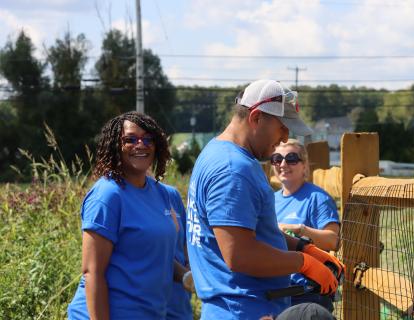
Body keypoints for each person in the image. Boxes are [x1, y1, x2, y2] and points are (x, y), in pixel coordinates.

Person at [185, 79, 344, 320]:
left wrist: (305, 248)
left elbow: (254, 232)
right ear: (257, 117)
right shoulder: (233, 169)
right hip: (244, 309)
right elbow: (240, 254)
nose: (285, 137)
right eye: (282, 126)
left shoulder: (217, 153)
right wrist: (303, 263)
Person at [67, 111, 178, 319]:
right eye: (130, 140)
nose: (140, 144)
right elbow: (92, 273)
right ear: (115, 146)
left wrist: (192, 277)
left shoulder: (161, 193)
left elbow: (156, 256)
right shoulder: (108, 195)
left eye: (148, 139)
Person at [272, 139, 341, 311]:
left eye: (292, 158)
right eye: (277, 158)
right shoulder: (271, 199)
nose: (283, 164)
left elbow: (333, 241)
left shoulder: (317, 198)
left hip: (308, 295)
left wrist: (298, 229)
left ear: (304, 165)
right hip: (276, 294)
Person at [165, 183, 194, 320]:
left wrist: (189, 264)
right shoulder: (116, 196)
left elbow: (186, 240)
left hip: (180, 306)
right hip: (148, 307)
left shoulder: (171, 194)